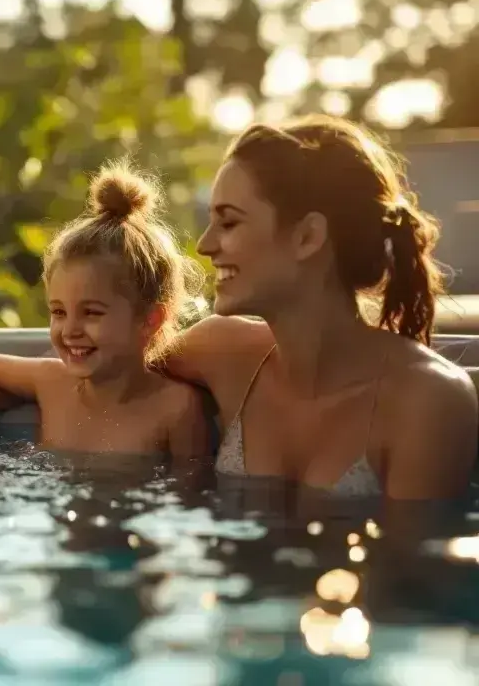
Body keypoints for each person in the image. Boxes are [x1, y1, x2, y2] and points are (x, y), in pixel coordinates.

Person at [165, 114, 477, 500]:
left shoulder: (426, 401)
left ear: (307, 237)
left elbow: (408, 559)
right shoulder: (220, 354)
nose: (205, 245)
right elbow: (101, 367)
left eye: (228, 223)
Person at [0, 161, 212, 457]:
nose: (70, 330)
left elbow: (191, 496)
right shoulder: (52, 382)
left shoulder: (176, 409)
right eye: (58, 312)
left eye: (92, 312)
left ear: (150, 319)